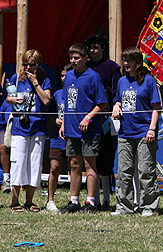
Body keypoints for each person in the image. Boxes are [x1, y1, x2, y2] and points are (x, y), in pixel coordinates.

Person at [110, 47, 161, 216]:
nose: (125, 63)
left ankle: (149, 206)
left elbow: (156, 108)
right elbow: (117, 101)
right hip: (125, 132)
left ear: (138, 63)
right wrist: (116, 106)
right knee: (124, 171)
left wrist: (152, 129)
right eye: (124, 60)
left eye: (129, 60)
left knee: (146, 171)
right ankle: (124, 206)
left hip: (144, 131)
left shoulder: (149, 81)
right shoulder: (122, 81)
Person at [59, 43, 108, 214]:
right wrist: (64, 123)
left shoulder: (93, 77)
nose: (73, 61)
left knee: (89, 164)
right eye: (71, 58)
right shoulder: (70, 76)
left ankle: (91, 202)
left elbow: (102, 103)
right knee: (73, 163)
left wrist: (88, 117)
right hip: (71, 127)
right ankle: (74, 200)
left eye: (76, 58)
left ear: (85, 58)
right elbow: (66, 102)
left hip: (89, 129)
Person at [5, 50, 52, 212]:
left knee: (35, 164)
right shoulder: (16, 78)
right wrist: (11, 99)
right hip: (20, 127)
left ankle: (30, 201)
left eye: (32, 64)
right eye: (25, 64)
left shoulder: (44, 80)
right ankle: (14, 200)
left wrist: (35, 83)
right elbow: (8, 97)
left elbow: (46, 100)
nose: (28, 68)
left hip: (38, 127)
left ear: (38, 65)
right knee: (18, 163)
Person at [85, 31, 121, 211]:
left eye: (96, 47)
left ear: (103, 49)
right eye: (90, 48)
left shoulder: (112, 67)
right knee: (92, 159)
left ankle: (106, 198)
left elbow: (115, 92)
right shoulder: (86, 67)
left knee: (106, 157)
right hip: (88, 118)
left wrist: (114, 108)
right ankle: (93, 199)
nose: (93, 51)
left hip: (106, 118)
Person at [46, 65, 72, 212]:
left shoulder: (76, 92)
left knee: (72, 168)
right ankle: (50, 200)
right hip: (57, 136)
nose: (64, 78)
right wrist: (55, 119)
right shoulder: (57, 94)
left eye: (66, 75)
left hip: (72, 135)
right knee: (54, 168)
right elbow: (49, 113)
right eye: (62, 75)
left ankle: (72, 199)